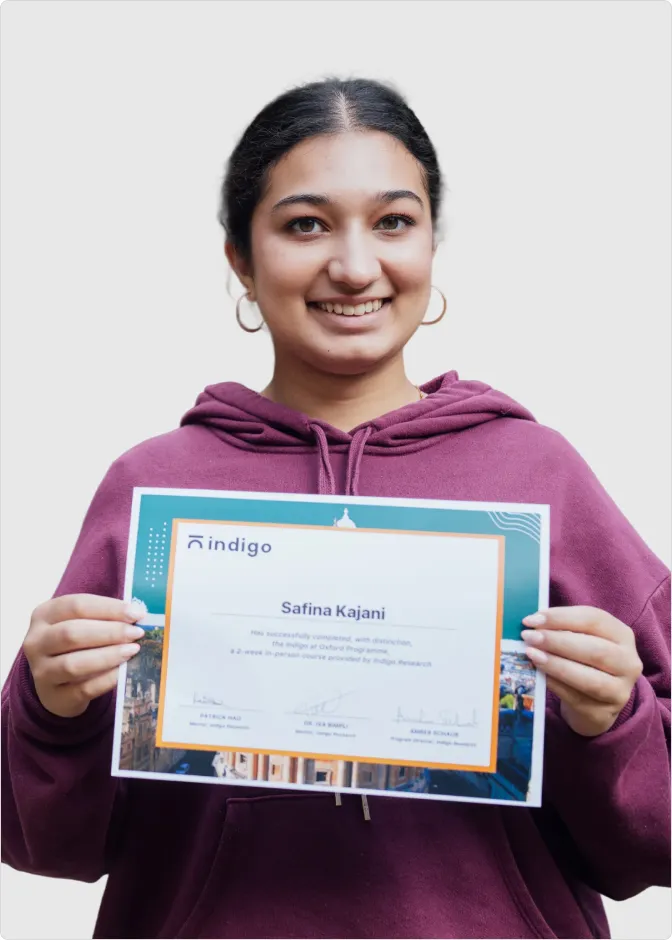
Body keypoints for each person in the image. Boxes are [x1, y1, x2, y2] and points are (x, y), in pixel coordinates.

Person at [2, 77, 669, 940]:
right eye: (305, 224)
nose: (356, 267)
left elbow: (649, 847)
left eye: (394, 221)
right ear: (241, 255)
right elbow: (45, 843)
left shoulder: (541, 477)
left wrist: (611, 722)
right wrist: (52, 711)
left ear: (432, 243)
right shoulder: (150, 491)